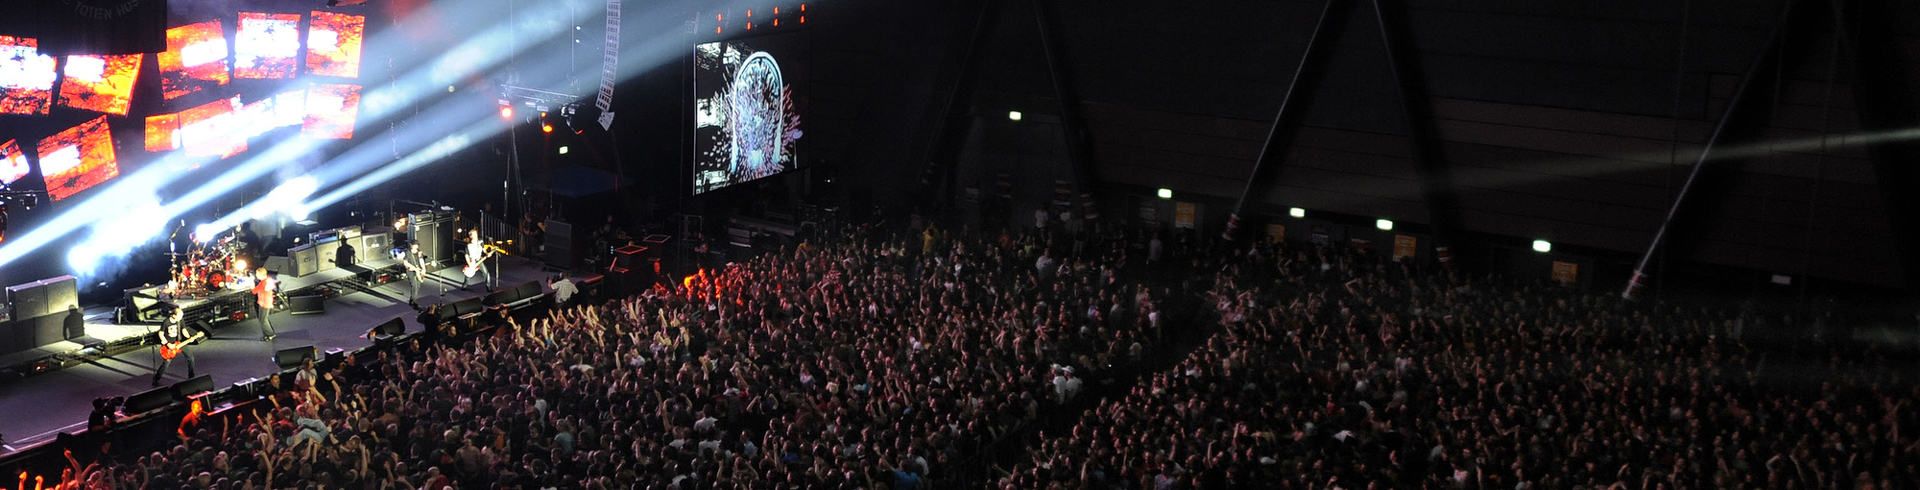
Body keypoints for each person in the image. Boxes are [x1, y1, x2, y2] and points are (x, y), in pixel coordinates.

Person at [152, 306, 195, 386]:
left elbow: (184, 330)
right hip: (169, 345)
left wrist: (189, 337)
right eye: (179, 316)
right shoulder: (166, 322)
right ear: (174, 315)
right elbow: (160, 334)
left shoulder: (180, 321)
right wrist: (168, 344)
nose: (181, 318)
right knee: (166, 364)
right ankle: (156, 378)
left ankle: (191, 377)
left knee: (190, 358)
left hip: (179, 342)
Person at [251, 268, 277, 341]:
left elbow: (254, 291)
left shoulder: (263, 283)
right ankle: (267, 334)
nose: (256, 275)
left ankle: (270, 334)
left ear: (260, 275)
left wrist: (251, 284)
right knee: (263, 319)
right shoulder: (267, 280)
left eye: (257, 274)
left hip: (265, 303)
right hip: (265, 302)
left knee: (263, 320)